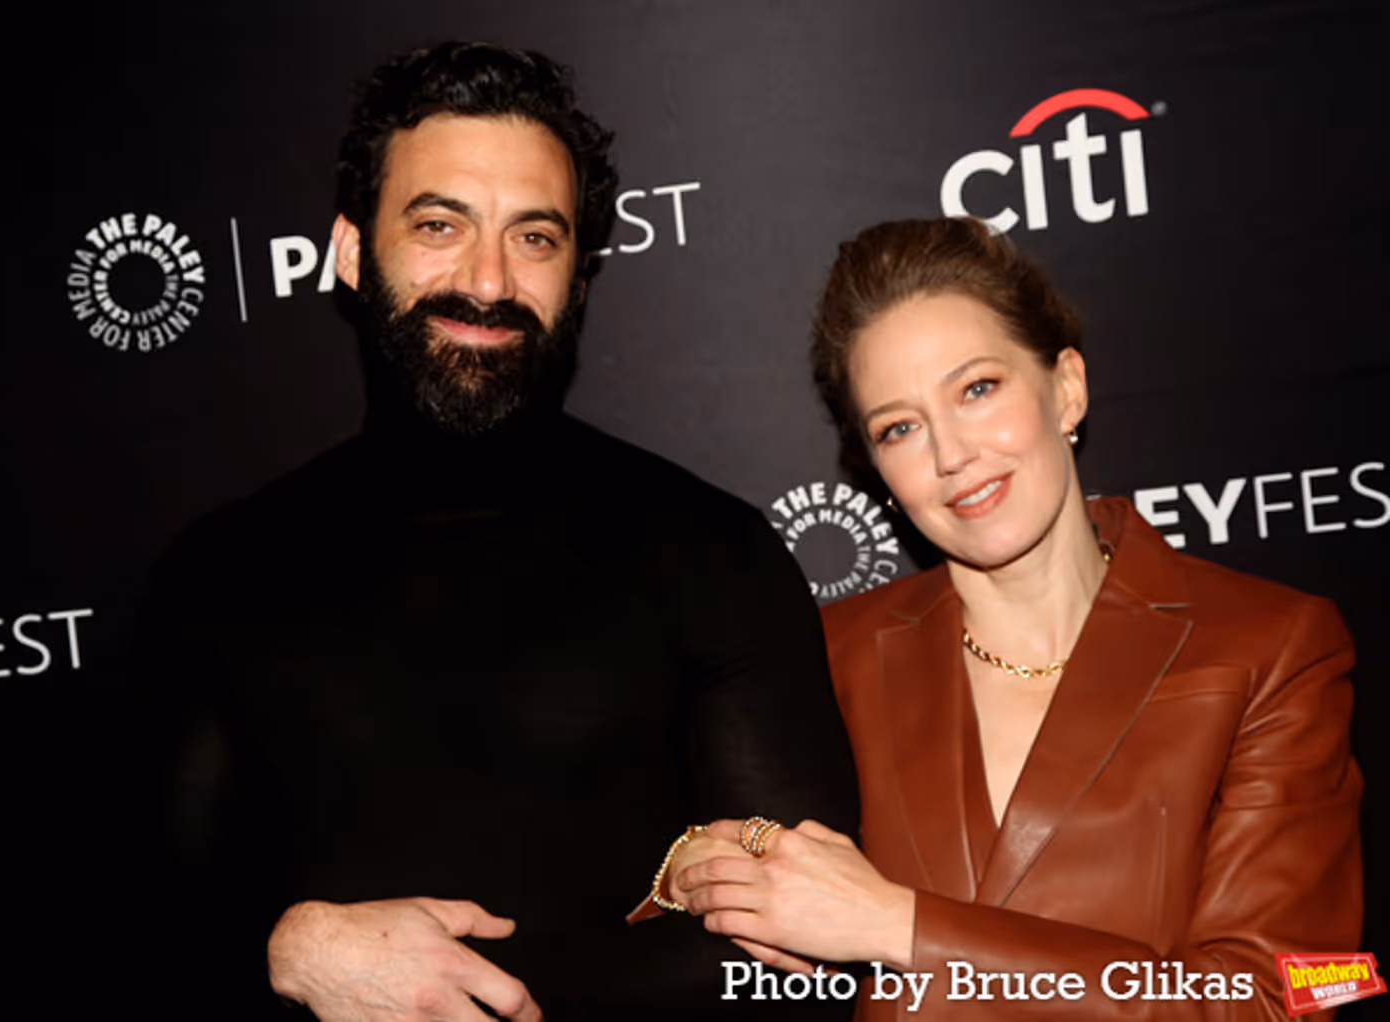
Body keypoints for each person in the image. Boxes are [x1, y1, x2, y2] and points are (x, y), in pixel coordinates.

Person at [138, 42, 857, 1022]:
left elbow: (794, 967)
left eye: (534, 237)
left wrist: (444, 993)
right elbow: (139, 934)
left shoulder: (709, 552)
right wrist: (290, 945)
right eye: (440, 224)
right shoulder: (215, 576)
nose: (485, 278)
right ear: (352, 250)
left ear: (580, 276)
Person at [667, 217, 1363, 1018]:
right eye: (899, 427)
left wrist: (897, 926)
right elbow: (667, 853)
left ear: (1066, 387)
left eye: (977, 389)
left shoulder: (1273, 644)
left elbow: (1287, 997)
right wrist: (700, 866)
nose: (949, 452)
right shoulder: (829, 652)